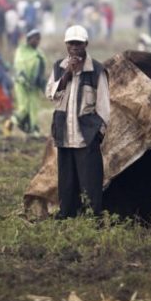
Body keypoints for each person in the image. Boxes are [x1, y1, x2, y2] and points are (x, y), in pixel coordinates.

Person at [46, 25, 110, 219]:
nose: (74, 47)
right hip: (64, 135)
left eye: (78, 43)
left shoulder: (96, 70)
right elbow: (50, 94)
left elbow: (104, 106)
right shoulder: (59, 67)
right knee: (66, 180)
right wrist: (67, 74)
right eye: (71, 43)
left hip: (86, 136)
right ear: (66, 45)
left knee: (90, 180)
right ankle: (67, 215)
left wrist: (98, 132)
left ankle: (92, 217)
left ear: (86, 44)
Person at [3, 29, 46, 137]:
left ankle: (33, 130)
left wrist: (43, 86)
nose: (37, 41)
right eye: (35, 39)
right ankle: (10, 123)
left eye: (38, 39)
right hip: (21, 84)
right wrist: (25, 80)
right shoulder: (21, 51)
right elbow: (19, 68)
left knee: (33, 108)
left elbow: (41, 71)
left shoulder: (39, 54)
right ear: (29, 39)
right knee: (24, 108)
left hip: (34, 86)